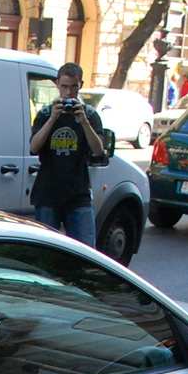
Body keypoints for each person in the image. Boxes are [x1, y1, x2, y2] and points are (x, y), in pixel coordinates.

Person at [28, 62, 106, 247]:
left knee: (86, 251)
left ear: (80, 85)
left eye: (73, 87)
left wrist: (84, 122)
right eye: (64, 86)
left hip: (78, 194)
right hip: (48, 194)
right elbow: (34, 147)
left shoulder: (90, 115)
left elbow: (98, 150)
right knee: (46, 252)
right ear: (57, 85)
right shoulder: (46, 114)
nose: (69, 93)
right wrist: (53, 118)